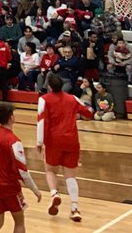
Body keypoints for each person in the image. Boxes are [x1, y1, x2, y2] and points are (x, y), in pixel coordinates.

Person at [0, 102, 42, 233]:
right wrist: (35, 190)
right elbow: (22, 171)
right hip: (9, 188)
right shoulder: (14, 141)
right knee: (19, 222)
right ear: (11, 118)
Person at [36, 73, 93, 222]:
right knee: (70, 176)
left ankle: (54, 193)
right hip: (71, 140)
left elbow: (41, 121)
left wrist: (39, 141)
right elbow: (88, 113)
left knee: (50, 170)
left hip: (54, 140)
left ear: (49, 86)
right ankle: (74, 209)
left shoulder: (44, 99)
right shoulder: (72, 98)